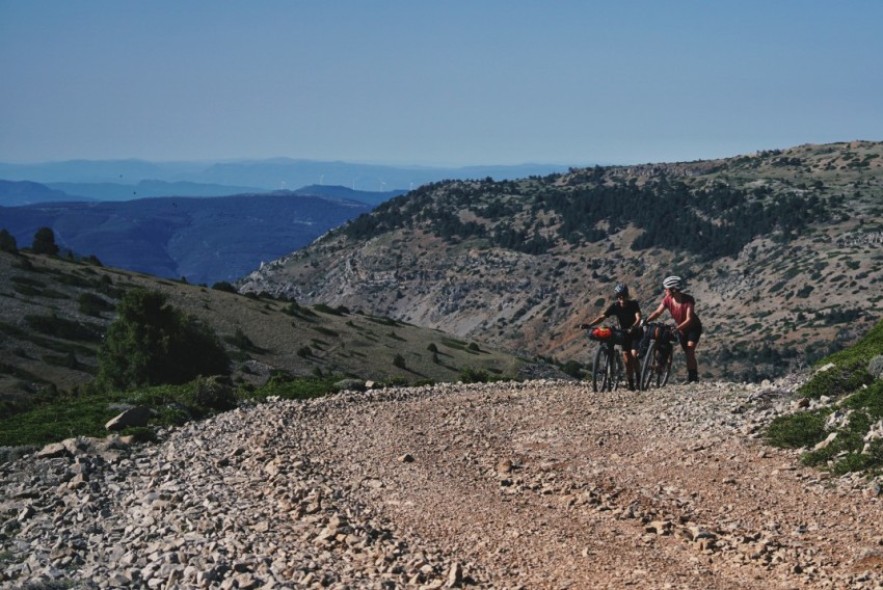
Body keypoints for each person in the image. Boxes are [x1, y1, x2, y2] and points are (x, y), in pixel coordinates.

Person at [581, 283, 643, 390]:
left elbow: (638, 317)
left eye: (623, 295)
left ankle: (638, 379)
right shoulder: (615, 306)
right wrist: (590, 325)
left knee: (633, 356)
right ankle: (631, 384)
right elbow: (602, 317)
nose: (621, 297)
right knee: (627, 361)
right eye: (619, 296)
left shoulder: (633, 304)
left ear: (627, 295)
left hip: (635, 333)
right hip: (624, 334)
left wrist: (634, 326)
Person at [643, 275, 702, 383]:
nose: (665, 291)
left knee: (690, 351)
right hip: (681, 329)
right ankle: (660, 364)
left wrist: (676, 328)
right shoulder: (667, 300)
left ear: (673, 289)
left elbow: (689, 319)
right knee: (684, 351)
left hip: (693, 328)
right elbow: (657, 312)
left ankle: (693, 378)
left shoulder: (688, 300)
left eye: (666, 289)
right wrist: (647, 320)